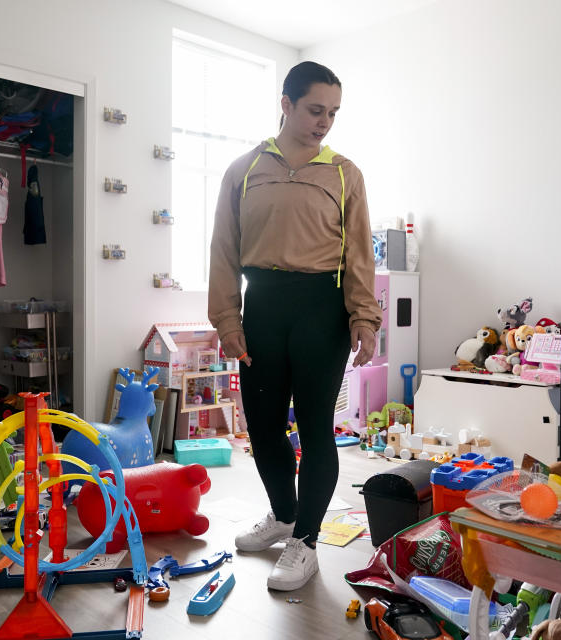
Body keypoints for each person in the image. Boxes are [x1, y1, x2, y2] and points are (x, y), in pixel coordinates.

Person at [207, 61, 382, 591]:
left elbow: (358, 255)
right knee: (260, 425)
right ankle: (283, 514)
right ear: (285, 103)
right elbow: (223, 251)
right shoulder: (244, 170)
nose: (324, 121)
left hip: (319, 311)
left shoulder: (344, 173)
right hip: (262, 306)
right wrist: (226, 320)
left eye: (332, 113)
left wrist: (364, 318)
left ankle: (306, 540)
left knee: (313, 426)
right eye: (314, 110)